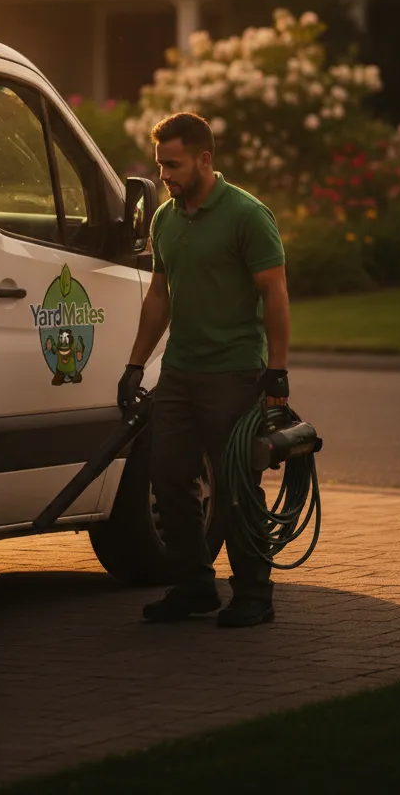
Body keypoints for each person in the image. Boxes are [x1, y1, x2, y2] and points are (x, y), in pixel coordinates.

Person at [118, 111, 291, 628]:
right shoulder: (165, 219)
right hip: (179, 373)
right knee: (169, 478)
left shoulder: (247, 215)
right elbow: (159, 295)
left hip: (234, 374)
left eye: (173, 165)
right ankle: (194, 587)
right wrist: (134, 364)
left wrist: (276, 370)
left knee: (237, 486)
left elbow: (275, 292)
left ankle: (255, 594)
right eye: (159, 165)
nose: (163, 176)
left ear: (204, 159)